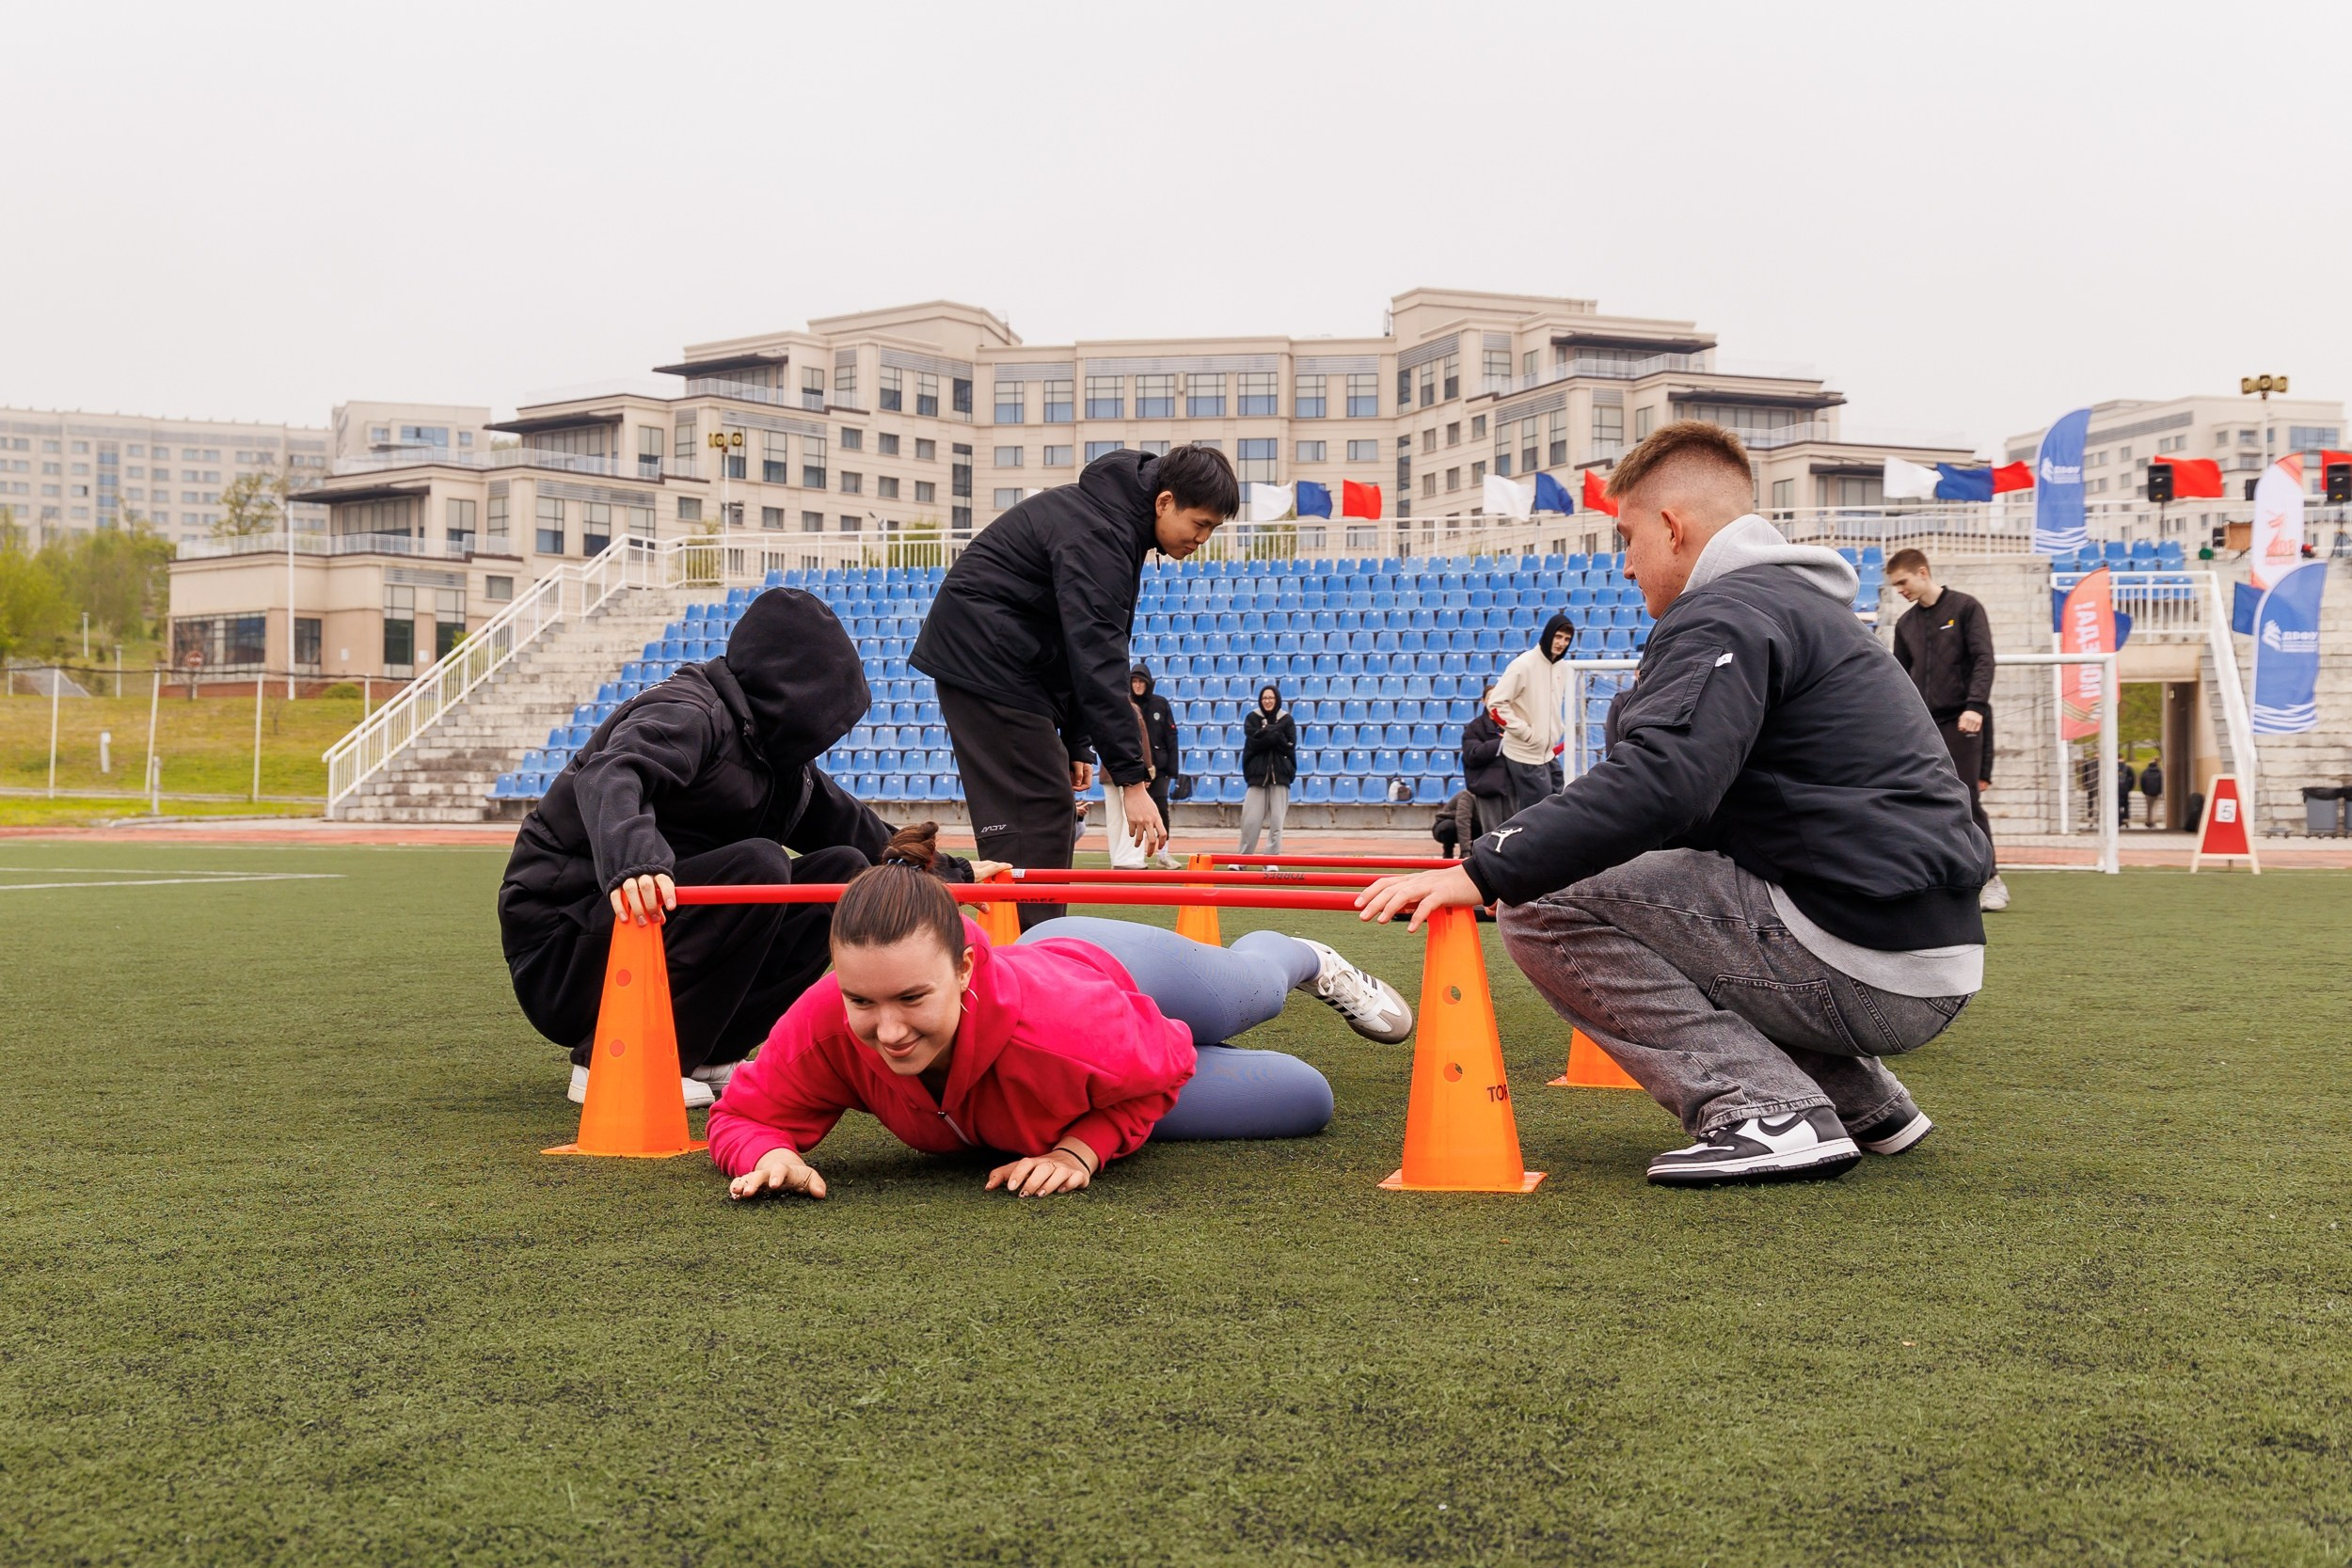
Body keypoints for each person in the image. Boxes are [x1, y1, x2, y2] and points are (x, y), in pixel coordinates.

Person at [1356, 420, 1992, 1189]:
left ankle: (1767, 1111)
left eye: (1626, 538)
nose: (1623, 566)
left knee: (1542, 901)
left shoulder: (1725, 610)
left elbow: (1664, 782)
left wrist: (1489, 868)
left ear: (1671, 526)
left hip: (1865, 956)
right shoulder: (1804, 610)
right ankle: (1859, 1101)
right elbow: (1692, 802)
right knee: (1664, 877)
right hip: (1928, 951)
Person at [710, 824, 1415, 1200]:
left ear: (961, 971)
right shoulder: (826, 1022)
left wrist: (1084, 1147)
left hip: (1094, 972)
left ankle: (1302, 954)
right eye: (862, 1000)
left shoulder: (1066, 1031)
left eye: (912, 999)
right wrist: (768, 1153)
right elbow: (740, 1112)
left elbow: (1166, 1061)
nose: (886, 1030)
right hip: (1083, 1049)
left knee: (1250, 994)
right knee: (1306, 1096)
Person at [498, 589, 989, 1109]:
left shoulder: (775, 763)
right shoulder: (691, 712)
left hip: (643, 927)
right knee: (760, 864)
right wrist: (634, 864)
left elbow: (857, 833)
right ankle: (611, 1060)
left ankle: (705, 1050)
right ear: (791, 693)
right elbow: (611, 772)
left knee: (845, 876)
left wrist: (952, 875)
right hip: (561, 942)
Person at [913, 446, 1235, 926]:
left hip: (1013, 663)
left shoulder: (1117, 523)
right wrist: (1130, 778)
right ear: (1165, 501)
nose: (1203, 539)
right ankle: (1026, 958)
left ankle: (1030, 951)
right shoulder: (1100, 532)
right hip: (986, 659)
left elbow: (1082, 642)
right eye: (1201, 524)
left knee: (1050, 810)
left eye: (1213, 530)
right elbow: (1097, 654)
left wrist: (1077, 743)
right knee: (1038, 811)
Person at [1887, 548, 2006, 911]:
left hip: (1962, 719)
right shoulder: (1905, 625)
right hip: (1922, 725)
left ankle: (1992, 880)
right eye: (1894, 586)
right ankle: (1934, 877)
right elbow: (1898, 678)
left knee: (1966, 799)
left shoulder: (1966, 608)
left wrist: (1974, 706)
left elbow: (1984, 658)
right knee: (1918, 798)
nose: (1900, 590)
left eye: (1903, 582)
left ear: (1922, 573)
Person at [1487, 613, 1575, 812]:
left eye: (1566, 639)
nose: (1561, 643)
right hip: (1524, 752)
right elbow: (1495, 706)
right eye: (1558, 636)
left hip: (1547, 753)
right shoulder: (1523, 665)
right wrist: (1525, 733)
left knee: (1559, 805)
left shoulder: (1562, 667)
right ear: (1548, 635)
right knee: (1539, 814)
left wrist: (1557, 730)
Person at [1131, 664, 1184, 868]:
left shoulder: (1160, 704)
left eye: (1141, 682)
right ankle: (1134, 856)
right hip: (1135, 768)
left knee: (1161, 808)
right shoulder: (1125, 704)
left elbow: (1172, 736)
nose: (1137, 686)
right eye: (1134, 682)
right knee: (1135, 813)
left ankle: (1164, 853)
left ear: (1148, 683)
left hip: (1159, 770)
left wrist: (1172, 769)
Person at [1239, 683, 1296, 854]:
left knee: (1277, 822)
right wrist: (1275, 735)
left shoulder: (1287, 719)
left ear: (1277, 699)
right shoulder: (1252, 718)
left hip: (1280, 777)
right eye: (1265, 698)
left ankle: (1272, 859)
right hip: (1257, 777)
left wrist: (1267, 733)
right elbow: (1253, 741)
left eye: (1271, 697)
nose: (1268, 701)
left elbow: (1289, 745)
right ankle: (1243, 858)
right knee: (1249, 821)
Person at [1458, 686, 1512, 839]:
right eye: (1490, 697)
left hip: (1514, 786)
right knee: (1492, 835)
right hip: (1488, 788)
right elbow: (1472, 754)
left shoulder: (1514, 724)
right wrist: (1501, 743)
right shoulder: (1475, 727)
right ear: (1483, 701)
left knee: (1513, 832)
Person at [2139, 755, 2164, 830]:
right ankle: (2153, 821)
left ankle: (2148, 821)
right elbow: (2162, 782)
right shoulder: (2160, 772)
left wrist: (2144, 791)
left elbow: (2142, 782)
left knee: (2149, 807)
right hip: (2157, 792)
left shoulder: (2145, 772)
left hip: (2148, 793)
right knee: (2155, 808)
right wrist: (2160, 791)